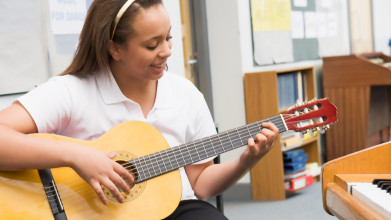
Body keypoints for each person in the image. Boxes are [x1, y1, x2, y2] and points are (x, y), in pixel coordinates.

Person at [0, 0, 279, 219]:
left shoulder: (186, 94)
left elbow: (200, 183)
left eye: (168, 38)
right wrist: (76, 156)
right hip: (94, 213)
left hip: (175, 209)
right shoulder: (71, 91)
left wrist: (246, 161)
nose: (168, 51)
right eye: (152, 44)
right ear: (115, 48)